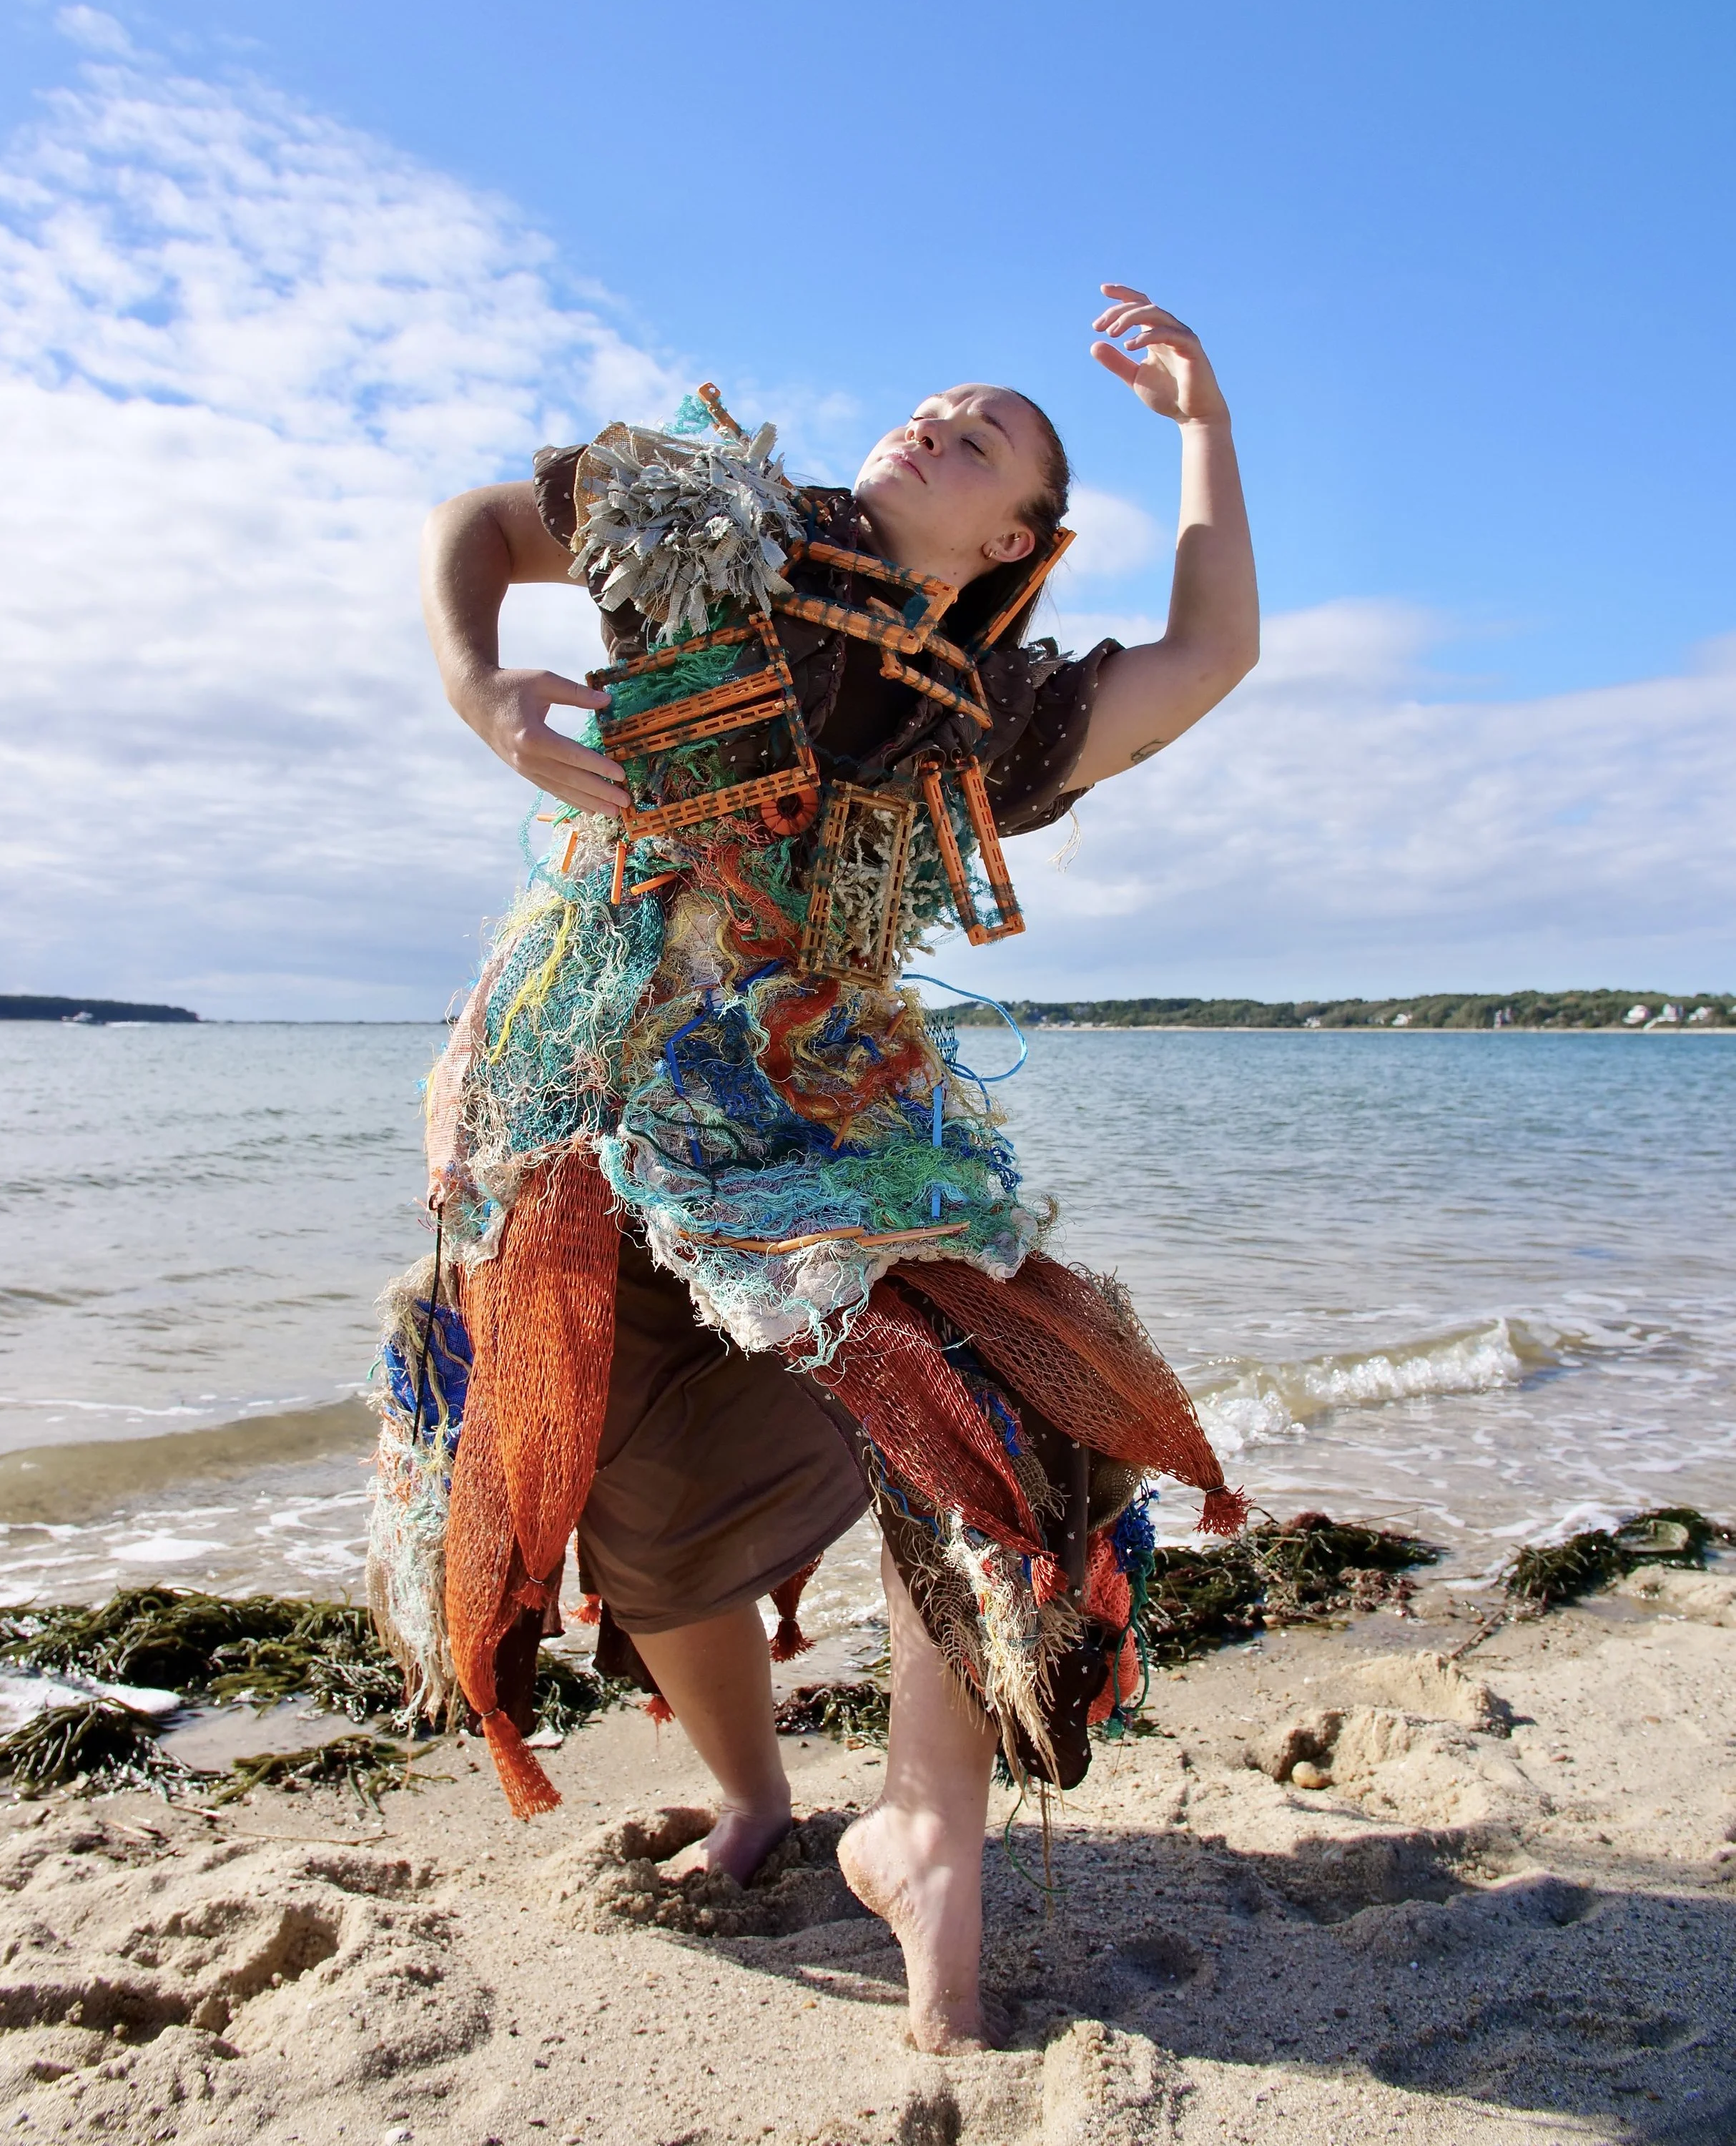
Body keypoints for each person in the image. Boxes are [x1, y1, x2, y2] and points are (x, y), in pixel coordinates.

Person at [383, 283, 1257, 2054]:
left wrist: (1203, 430)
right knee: (623, 1493)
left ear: (1016, 536)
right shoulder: (720, 519)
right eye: (934, 396)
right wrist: (484, 690)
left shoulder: (989, 711)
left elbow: (1204, 656)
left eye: (990, 430)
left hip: (812, 1102)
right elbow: (479, 524)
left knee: (986, 1383)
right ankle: (762, 1799)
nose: (943, 411)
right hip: (578, 1074)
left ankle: (929, 1826)